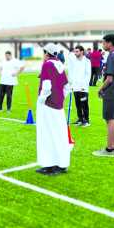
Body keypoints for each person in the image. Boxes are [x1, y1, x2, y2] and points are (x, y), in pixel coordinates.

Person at [35, 43, 71, 176]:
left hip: (48, 105)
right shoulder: (60, 64)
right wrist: (60, 99)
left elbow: (46, 86)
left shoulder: (47, 65)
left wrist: (41, 100)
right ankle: (60, 164)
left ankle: (50, 164)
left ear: (46, 53)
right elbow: (67, 87)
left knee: (47, 135)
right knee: (58, 135)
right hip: (58, 105)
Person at [93, 34, 114, 157]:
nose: (103, 45)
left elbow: (109, 79)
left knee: (110, 120)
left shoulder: (112, 57)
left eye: (104, 42)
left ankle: (109, 148)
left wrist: (100, 89)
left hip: (111, 93)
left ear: (110, 43)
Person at [67, 46, 92, 127]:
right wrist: (71, 83)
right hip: (75, 87)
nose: (75, 53)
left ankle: (86, 120)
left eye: (77, 51)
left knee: (84, 103)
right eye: (75, 51)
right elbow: (72, 72)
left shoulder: (87, 61)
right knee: (77, 104)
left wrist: (83, 85)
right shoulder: (74, 61)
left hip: (83, 88)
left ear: (82, 52)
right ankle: (80, 119)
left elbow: (88, 74)